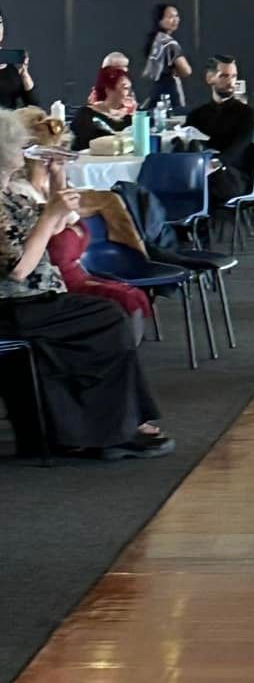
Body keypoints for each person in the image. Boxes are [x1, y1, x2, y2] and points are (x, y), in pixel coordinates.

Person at [0, 109, 173, 460]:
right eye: (19, 145)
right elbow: (18, 268)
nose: (24, 150)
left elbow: (60, 222)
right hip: (14, 305)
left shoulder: (10, 198)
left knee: (101, 321)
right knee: (107, 319)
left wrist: (58, 176)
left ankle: (98, 429)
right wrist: (49, 215)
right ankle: (112, 430)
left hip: (33, 301)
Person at [19, 113, 150, 344]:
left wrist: (59, 176)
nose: (57, 158)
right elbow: (56, 227)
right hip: (52, 283)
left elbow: (67, 216)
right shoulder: (22, 193)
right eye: (53, 151)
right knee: (120, 303)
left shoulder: (48, 186)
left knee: (131, 297)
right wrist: (57, 194)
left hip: (75, 272)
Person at [188, 56, 254, 208]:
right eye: (224, 76)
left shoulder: (246, 113)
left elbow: (239, 147)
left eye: (234, 76)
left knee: (201, 183)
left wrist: (216, 163)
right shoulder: (197, 115)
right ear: (210, 78)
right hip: (201, 170)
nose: (230, 82)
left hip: (233, 175)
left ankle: (200, 225)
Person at [69, 65, 135, 151]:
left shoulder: (129, 119)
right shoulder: (86, 114)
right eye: (125, 88)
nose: (130, 93)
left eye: (130, 89)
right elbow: (84, 142)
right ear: (108, 89)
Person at [142, 2, 191, 114]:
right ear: (159, 20)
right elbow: (186, 71)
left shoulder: (154, 40)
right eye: (170, 17)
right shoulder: (169, 43)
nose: (175, 20)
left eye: (176, 16)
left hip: (155, 87)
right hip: (170, 87)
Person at [0, 10, 35, 112]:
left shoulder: (12, 70)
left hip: (9, 125)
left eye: (0, 22)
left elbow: (34, 109)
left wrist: (25, 77)